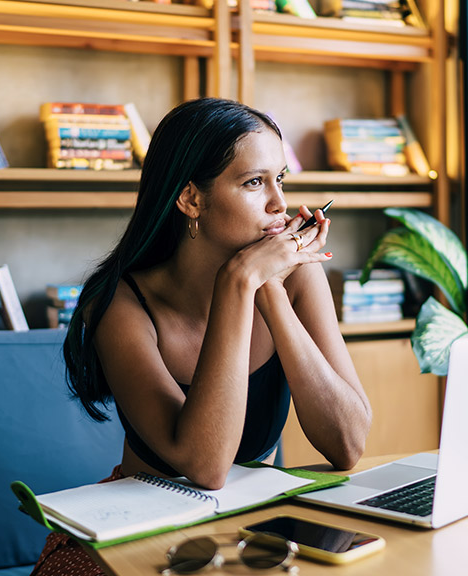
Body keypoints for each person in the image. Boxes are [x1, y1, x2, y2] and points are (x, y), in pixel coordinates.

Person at [31, 97, 371, 575]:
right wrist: (238, 282)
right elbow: (206, 467)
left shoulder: (293, 278)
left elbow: (347, 443)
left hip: (252, 528)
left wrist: (269, 288)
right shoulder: (119, 306)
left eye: (281, 181)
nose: (279, 204)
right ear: (191, 198)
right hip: (140, 527)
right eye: (255, 183)